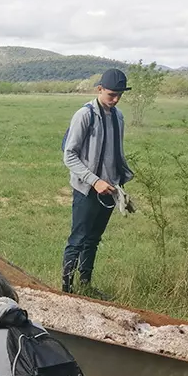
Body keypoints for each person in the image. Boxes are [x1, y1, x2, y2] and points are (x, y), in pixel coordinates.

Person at [61, 68, 134, 296]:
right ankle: (67, 290)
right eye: (111, 94)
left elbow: (115, 152)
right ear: (99, 89)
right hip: (87, 189)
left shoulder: (118, 116)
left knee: (94, 239)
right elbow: (69, 155)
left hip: (109, 190)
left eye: (119, 95)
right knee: (79, 239)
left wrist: (120, 183)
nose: (115, 99)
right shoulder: (85, 115)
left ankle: (86, 285)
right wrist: (94, 181)